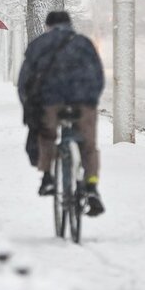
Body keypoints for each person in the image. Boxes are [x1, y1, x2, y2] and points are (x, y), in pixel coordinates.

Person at [17, 11, 105, 217]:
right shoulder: (83, 43)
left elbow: (24, 81)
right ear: (69, 24)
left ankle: (47, 177)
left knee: (47, 135)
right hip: (82, 102)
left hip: (51, 102)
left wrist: (29, 106)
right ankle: (91, 187)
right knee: (89, 145)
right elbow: (97, 75)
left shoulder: (39, 45)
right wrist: (90, 100)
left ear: (48, 26)